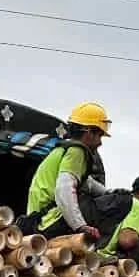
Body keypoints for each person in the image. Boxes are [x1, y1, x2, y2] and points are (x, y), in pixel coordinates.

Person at [22, 102, 111, 240]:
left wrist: (107, 193)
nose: (100, 142)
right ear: (89, 132)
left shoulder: (63, 150)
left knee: (110, 197)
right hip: (47, 221)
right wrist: (80, 226)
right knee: (120, 202)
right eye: (99, 135)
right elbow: (64, 189)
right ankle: (104, 247)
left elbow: (86, 182)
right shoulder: (77, 151)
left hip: (39, 220)